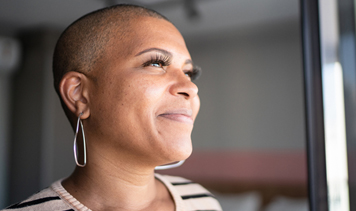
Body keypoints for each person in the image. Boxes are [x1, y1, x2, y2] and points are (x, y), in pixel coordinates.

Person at [3, 4, 222, 211]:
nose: (190, 88)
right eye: (155, 63)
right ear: (80, 94)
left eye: (189, 73)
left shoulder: (202, 201)